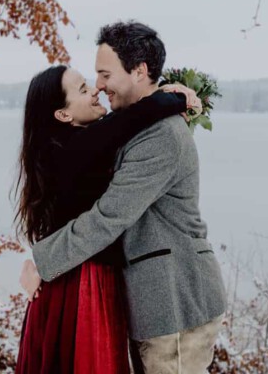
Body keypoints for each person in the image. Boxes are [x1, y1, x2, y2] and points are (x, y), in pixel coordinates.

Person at [21, 21, 227, 373]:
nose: (98, 86)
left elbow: (109, 217)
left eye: (104, 75)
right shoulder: (120, 129)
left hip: (174, 300)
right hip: (150, 303)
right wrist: (169, 96)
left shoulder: (160, 136)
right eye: (92, 80)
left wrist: (42, 260)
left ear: (139, 71)